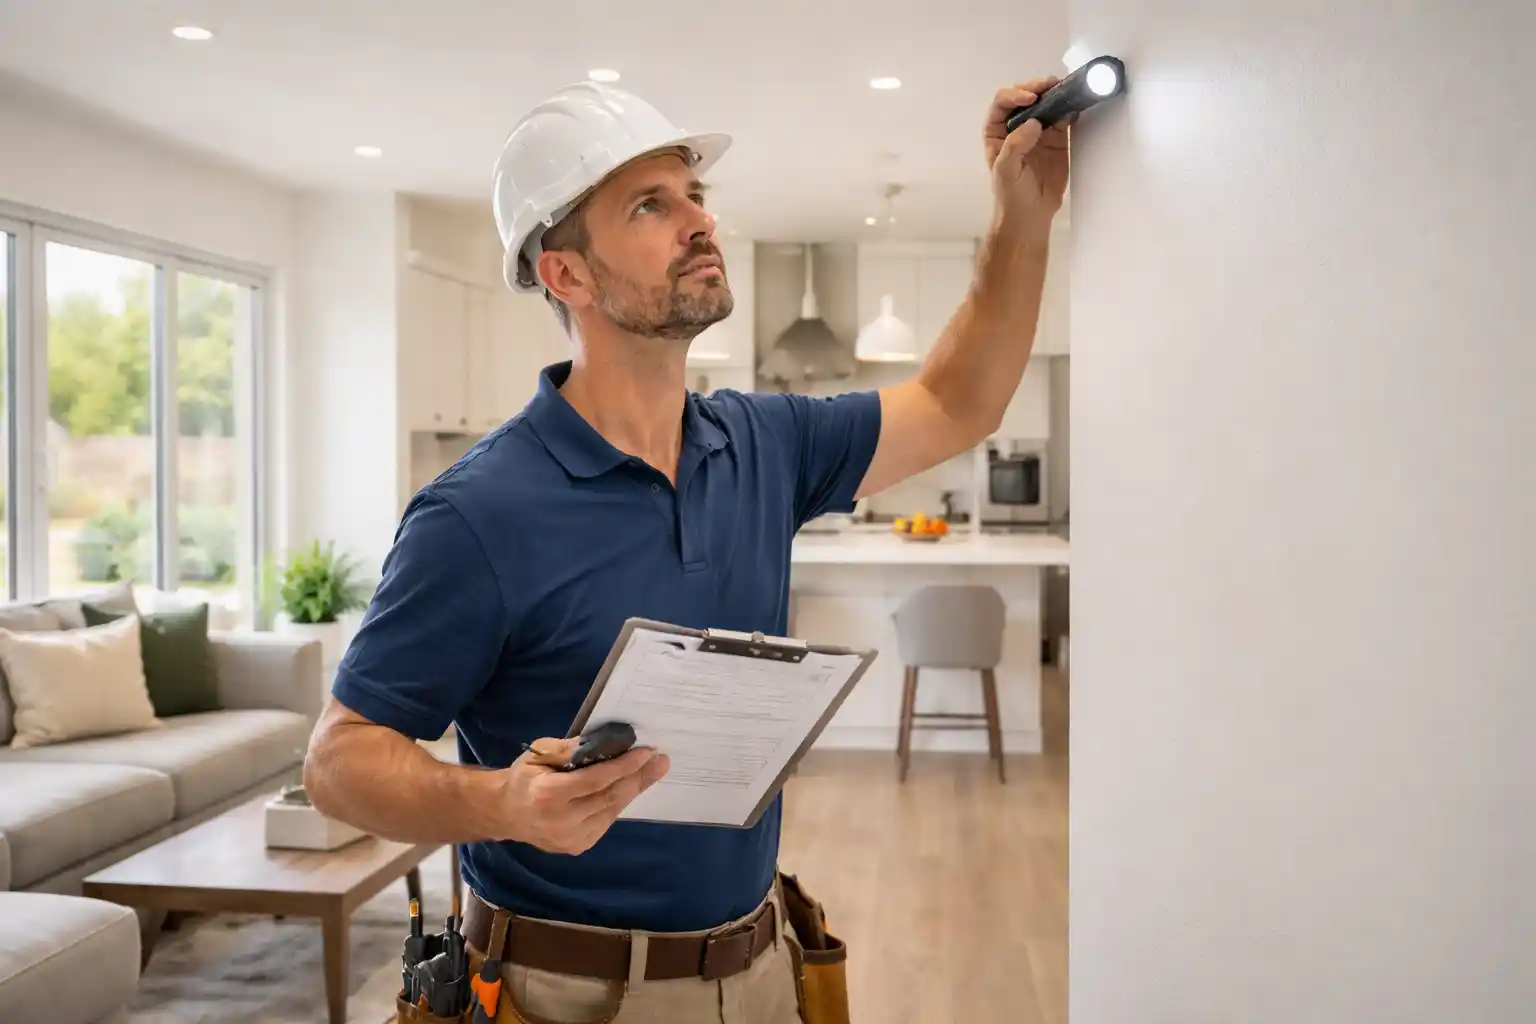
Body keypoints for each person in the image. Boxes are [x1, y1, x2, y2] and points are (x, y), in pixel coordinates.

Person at [303, 75, 1068, 1023]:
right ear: (567, 276)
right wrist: (502, 803)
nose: (699, 221)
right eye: (649, 206)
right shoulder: (478, 512)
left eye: (694, 194)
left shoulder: (764, 443)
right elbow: (338, 763)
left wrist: (1022, 217)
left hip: (762, 967)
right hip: (564, 995)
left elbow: (958, 401)